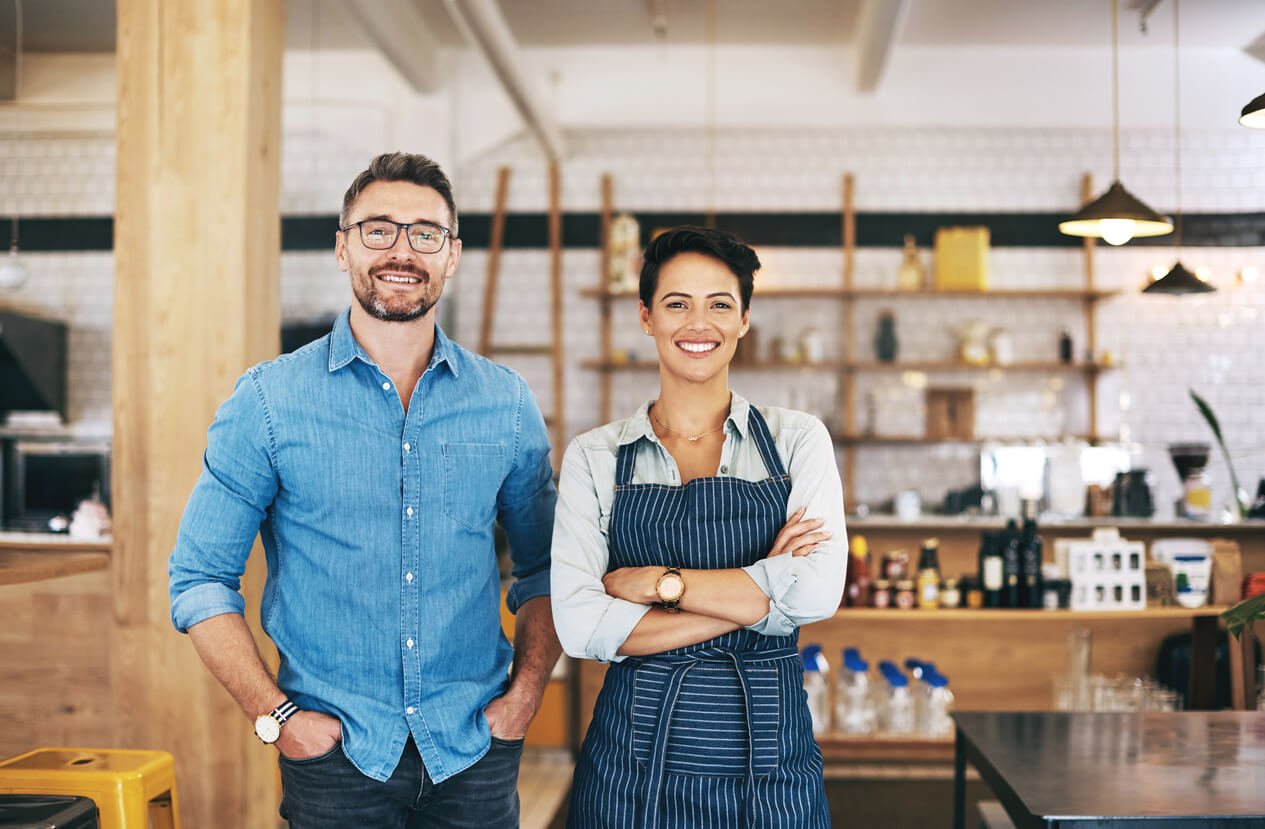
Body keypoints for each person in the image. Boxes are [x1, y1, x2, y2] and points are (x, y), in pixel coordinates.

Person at [168, 152, 561, 829]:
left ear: (452, 255)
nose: (401, 250)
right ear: (342, 247)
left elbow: (544, 567)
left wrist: (525, 695)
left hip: (472, 749)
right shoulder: (268, 400)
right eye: (378, 229)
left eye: (425, 233)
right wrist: (277, 717)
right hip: (334, 757)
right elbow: (199, 579)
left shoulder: (505, 402)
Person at [552, 226, 847, 827]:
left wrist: (660, 585)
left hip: (770, 760)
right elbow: (581, 628)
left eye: (719, 304)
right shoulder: (594, 456)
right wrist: (766, 591)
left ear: (743, 319)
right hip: (632, 763)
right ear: (646, 317)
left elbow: (816, 593)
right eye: (676, 303)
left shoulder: (797, 440)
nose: (698, 323)